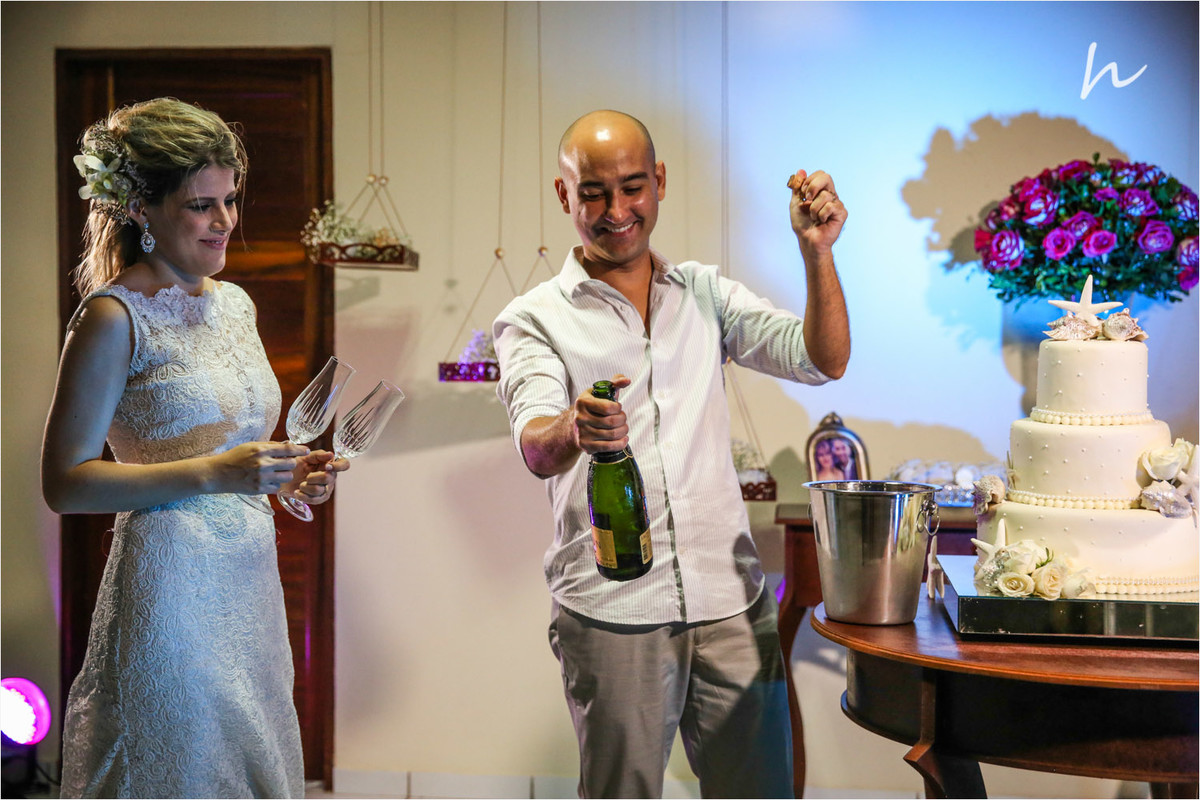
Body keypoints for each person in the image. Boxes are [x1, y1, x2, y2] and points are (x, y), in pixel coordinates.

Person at [493, 109, 850, 798]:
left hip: (731, 602)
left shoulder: (706, 294)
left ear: (658, 181)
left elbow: (821, 359)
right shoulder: (534, 318)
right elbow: (536, 446)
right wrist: (574, 427)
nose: (616, 210)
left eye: (632, 187)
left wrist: (818, 252)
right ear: (565, 195)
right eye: (593, 192)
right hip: (612, 609)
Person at [41, 97, 348, 799]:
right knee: (184, 766)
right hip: (169, 587)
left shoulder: (236, 304)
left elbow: (238, 448)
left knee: (252, 760)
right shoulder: (112, 317)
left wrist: (286, 473)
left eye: (230, 200)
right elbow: (65, 483)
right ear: (140, 210)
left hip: (250, 582)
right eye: (201, 205)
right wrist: (215, 473)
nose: (225, 221)